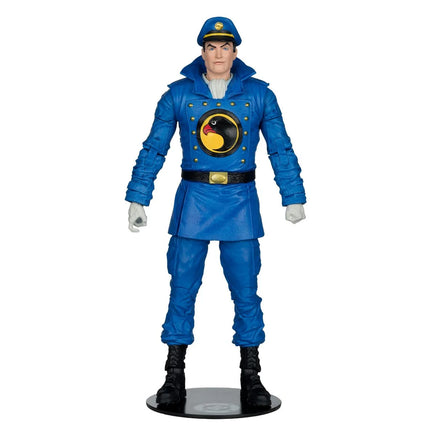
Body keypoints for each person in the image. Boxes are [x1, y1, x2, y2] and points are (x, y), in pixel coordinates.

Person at [125, 17, 306, 408]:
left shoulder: (260, 95)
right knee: (182, 287)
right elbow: (154, 148)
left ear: (235, 52)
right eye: (211, 47)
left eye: (225, 47)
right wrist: (139, 197)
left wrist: (293, 196)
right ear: (202, 52)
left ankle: (251, 376)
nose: (218, 54)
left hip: (240, 202)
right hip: (194, 201)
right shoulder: (178, 95)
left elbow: (280, 148)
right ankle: (174, 375)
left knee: (246, 290)